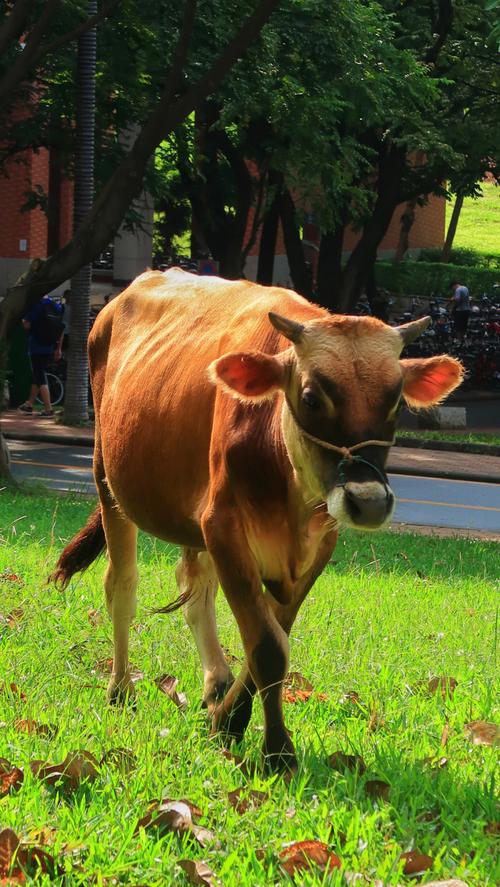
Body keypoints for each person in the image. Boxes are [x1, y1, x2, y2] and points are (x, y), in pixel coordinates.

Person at [18, 295, 64, 418]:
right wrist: (58, 348)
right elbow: (60, 328)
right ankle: (29, 404)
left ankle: (49, 409)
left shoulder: (36, 305)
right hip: (49, 346)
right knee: (37, 375)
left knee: (40, 376)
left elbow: (26, 325)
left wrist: (23, 320)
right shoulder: (55, 306)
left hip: (36, 346)